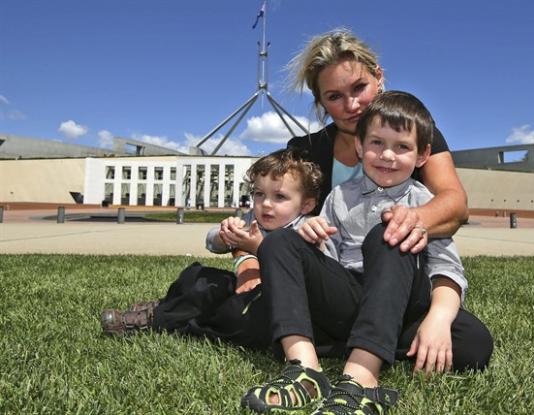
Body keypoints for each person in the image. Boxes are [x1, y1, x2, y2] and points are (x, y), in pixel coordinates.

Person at [240, 91, 493, 415]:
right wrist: (311, 241)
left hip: (402, 300)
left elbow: (446, 268)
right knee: (279, 242)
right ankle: (306, 371)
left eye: (402, 146)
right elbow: (327, 267)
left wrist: (439, 319)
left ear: (422, 155)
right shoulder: (339, 198)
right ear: (360, 147)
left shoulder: (425, 200)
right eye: (376, 143)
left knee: (472, 343)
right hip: (352, 297)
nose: (387, 155)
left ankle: (362, 376)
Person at [100, 148, 322, 349]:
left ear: (306, 205)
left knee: (224, 309)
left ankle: (154, 318)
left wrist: (258, 248)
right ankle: (168, 304)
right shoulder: (252, 219)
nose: (265, 204)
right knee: (198, 277)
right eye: (259, 194)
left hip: (270, 300)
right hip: (242, 287)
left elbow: (312, 275)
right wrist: (225, 235)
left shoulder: (306, 228)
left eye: (279, 197)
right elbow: (211, 241)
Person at [286, 29, 468, 256]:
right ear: (321, 102)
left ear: (379, 77)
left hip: (397, 262)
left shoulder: (413, 132)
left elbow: (456, 204)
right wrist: (246, 262)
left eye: (359, 87)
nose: (352, 105)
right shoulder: (304, 151)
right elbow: (267, 214)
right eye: (334, 96)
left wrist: (411, 221)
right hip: (332, 275)